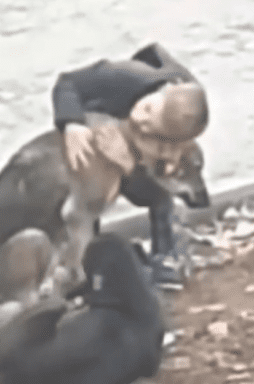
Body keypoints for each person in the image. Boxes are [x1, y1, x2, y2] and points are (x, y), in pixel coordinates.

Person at [52, 42, 209, 286]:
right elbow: (66, 83)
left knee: (162, 193)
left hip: (138, 142)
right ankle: (86, 266)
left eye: (149, 125)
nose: (140, 118)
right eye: (147, 110)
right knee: (95, 193)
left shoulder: (187, 112)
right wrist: (72, 124)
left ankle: (167, 257)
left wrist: (146, 163)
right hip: (101, 122)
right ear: (161, 92)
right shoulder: (125, 77)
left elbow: (165, 154)